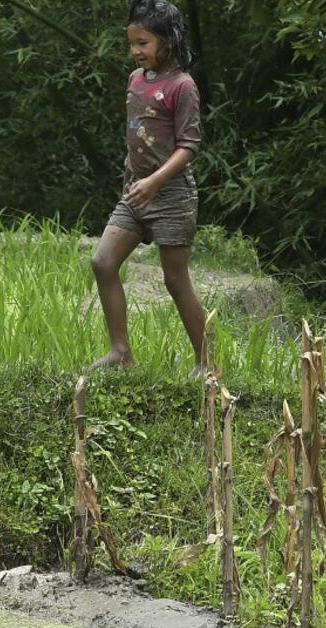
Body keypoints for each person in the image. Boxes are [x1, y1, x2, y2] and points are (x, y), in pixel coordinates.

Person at [90, 0, 206, 373]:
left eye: (143, 43)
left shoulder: (182, 85)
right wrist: (135, 179)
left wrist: (156, 181)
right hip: (135, 191)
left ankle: (208, 362)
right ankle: (121, 353)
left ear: (167, 40)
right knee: (103, 262)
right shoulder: (135, 80)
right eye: (132, 43)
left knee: (175, 279)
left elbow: (189, 146)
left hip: (170, 193)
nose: (136, 51)